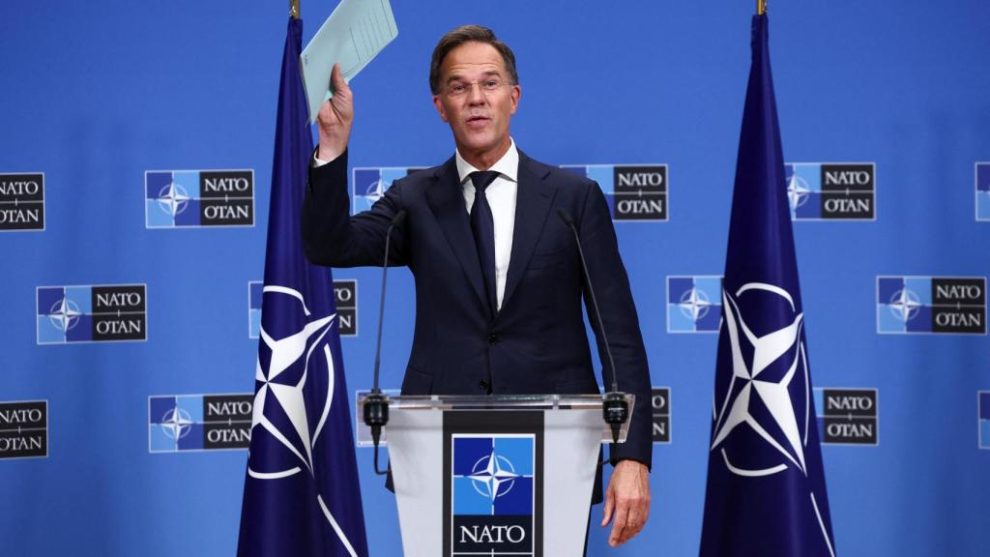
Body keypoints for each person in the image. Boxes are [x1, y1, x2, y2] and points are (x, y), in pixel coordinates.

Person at [302, 24, 652, 548]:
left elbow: (618, 335)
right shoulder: (414, 199)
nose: (476, 99)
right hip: (438, 448)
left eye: (489, 84)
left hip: (555, 451)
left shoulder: (574, 200)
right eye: (459, 87)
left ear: (514, 97)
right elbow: (330, 244)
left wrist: (632, 454)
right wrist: (333, 146)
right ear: (440, 105)